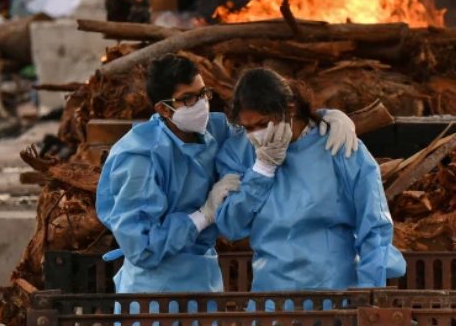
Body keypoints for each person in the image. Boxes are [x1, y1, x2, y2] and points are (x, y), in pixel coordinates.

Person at [96, 55, 360, 298]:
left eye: (202, 93)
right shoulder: (139, 158)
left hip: (204, 279)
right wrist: (202, 216)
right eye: (188, 99)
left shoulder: (216, 128)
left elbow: (265, 120)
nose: (200, 105)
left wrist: (325, 117)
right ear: (164, 110)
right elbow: (142, 247)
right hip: (152, 292)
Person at [215, 68, 406, 293]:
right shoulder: (239, 152)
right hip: (272, 299)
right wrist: (261, 171)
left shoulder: (337, 145)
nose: (255, 134)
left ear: (290, 110)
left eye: (263, 123)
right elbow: (230, 226)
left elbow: (374, 226)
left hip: (336, 294)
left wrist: (370, 292)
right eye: (248, 127)